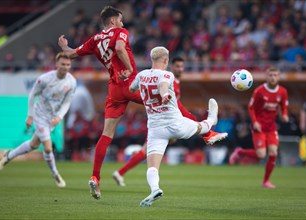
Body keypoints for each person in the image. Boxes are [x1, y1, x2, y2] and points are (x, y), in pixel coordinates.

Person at [58, 6, 227, 199]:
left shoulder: (94, 39)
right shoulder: (120, 32)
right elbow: (120, 48)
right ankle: (207, 133)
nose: (122, 23)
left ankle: (95, 177)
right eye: (120, 20)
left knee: (106, 134)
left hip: (114, 89)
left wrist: (64, 45)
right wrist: (130, 69)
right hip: (130, 82)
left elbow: (70, 54)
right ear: (113, 21)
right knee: (174, 104)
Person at [112, 57, 228, 186]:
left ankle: (122, 173)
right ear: (169, 65)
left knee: (146, 152)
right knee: (146, 151)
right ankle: (209, 129)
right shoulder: (169, 81)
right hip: (164, 123)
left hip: (161, 124)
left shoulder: (164, 79)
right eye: (177, 66)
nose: (180, 69)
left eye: (182, 66)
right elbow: (180, 109)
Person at [130, 46, 221, 207]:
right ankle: (212, 119)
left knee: (152, 166)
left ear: (152, 60)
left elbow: (131, 88)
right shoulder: (167, 74)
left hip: (155, 128)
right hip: (174, 124)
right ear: (166, 61)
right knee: (201, 127)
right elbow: (163, 85)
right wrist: (164, 94)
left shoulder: (141, 75)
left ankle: (154, 189)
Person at [0, 52, 77, 188]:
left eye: (68, 64)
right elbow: (32, 94)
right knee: (47, 146)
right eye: (63, 64)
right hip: (40, 115)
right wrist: (30, 115)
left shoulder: (71, 82)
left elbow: (67, 102)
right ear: (57, 64)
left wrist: (59, 117)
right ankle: (55, 174)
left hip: (52, 117)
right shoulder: (45, 79)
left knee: (34, 144)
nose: (65, 67)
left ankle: (9, 154)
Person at [229, 67, 289, 188]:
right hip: (259, 127)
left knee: (273, 152)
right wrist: (255, 122)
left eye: (275, 75)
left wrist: (284, 115)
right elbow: (251, 108)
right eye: (270, 75)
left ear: (278, 77)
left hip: (271, 127)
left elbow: (284, 107)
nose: (273, 77)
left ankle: (266, 181)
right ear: (266, 77)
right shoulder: (259, 91)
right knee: (261, 155)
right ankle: (240, 152)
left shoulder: (282, 92)